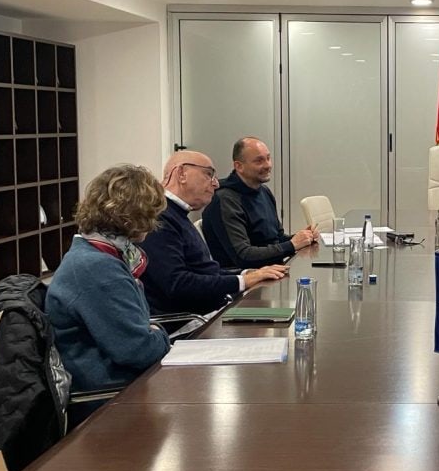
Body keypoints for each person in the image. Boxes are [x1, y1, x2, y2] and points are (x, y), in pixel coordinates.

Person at [45, 164, 171, 422]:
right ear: (136, 216)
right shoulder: (99, 268)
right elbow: (138, 350)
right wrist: (160, 335)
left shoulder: (90, 253)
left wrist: (152, 333)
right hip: (109, 398)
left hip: (119, 385)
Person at [140, 151, 289, 315]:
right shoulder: (159, 219)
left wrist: (247, 273)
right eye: (208, 174)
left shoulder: (176, 214)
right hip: (193, 322)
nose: (216, 184)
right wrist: (242, 281)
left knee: (288, 313)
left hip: (213, 310)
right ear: (181, 174)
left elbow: (204, 271)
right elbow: (177, 284)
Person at [203, 137, 318, 268]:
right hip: (246, 276)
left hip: (272, 268)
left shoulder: (263, 191)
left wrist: (302, 238)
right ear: (239, 166)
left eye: (268, 158)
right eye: (259, 161)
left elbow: (277, 238)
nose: (268, 165)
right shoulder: (224, 200)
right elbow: (243, 256)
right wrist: (292, 245)